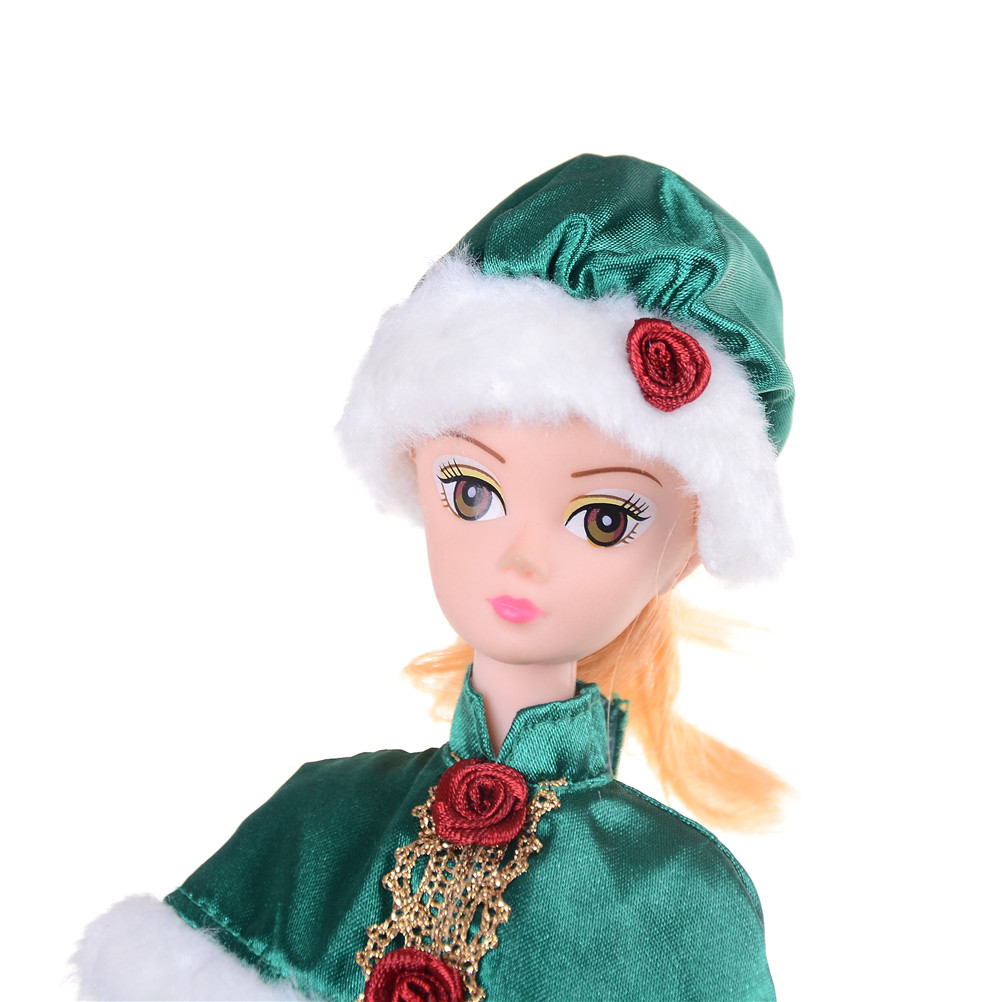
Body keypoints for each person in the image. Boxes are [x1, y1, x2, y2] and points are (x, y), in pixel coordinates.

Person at [74, 154, 793, 1001]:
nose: (522, 558)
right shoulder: (316, 827)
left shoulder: (679, 902)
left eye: (604, 519)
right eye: (472, 492)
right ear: (415, 472)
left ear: (688, 546)